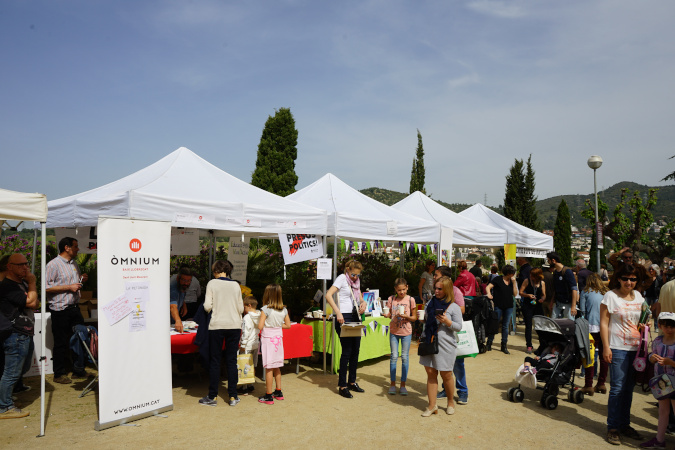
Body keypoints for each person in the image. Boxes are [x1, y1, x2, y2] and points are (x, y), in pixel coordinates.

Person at [600, 264, 646, 445]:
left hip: (636, 349)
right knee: (617, 388)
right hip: (617, 348)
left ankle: (625, 424)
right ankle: (613, 427)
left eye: (633, 279)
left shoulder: (640, 297)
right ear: (619, 278)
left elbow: (641, 320)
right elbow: (604, 323)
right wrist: (606, 347)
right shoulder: (610, 296)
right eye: (626, 278)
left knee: (629, 389)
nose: (629, 282)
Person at [199, 260, 244, 407]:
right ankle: (233, 396)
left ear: (216, 270)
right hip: (234, 325)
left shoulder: (212, 283)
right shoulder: (236, 285)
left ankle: (212, 396)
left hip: (217, 325)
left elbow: (207, 306)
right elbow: (241, 308)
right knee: (231, 361)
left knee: (215, 361)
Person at [45, 237, 88, 384]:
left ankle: (78, 370)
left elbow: (73, 283)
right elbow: (46, 288)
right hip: (60, 309)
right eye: (75, 247)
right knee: (61, 342)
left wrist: (81, 279)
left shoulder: (73, 263)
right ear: (66, 248)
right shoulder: (53, 265)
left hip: (74, 308)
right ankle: (59, 374)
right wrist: (69, 287)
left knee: (80, 338)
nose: (77, 249)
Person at [0, 253, 37, 419]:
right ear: (9, 267)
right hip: (15, 333)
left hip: (24, 332)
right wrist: (33, 282)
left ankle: (6, 398)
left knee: (22, 368)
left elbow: (33, 300)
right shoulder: (8, 286)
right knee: (11, 372)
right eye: (21, 264)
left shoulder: (20, 283)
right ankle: (4, 406)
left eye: (26, 263)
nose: (25, 267)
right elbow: (32, 302)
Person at [419, 276, 463, 417]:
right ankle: (432, 405)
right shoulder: (430, 303)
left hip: (445, 345)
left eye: (439, 289)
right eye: (435, 288)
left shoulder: (453, 306)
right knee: (431, 374)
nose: (436, 291)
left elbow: (459, 327)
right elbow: (426, 319)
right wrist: (423, 318)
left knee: (446, 374)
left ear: (447, 290)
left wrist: (447, 321)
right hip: (429, 342)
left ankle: (450, 402)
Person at [325, 260, 367, 399]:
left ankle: (352, 381)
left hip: (355, 315)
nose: (355, 277)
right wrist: (338, 312)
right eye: (353, 274)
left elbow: (359, 296)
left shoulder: (357, 281)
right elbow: (328, 295)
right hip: (343, 316)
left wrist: (363, 302)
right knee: (347, 351)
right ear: (347, 270)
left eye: (357, 275)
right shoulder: (342, 278)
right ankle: (342, 385)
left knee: (356, 350)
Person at [639, 312, 675, 449]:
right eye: (666, 326)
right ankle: (659, 440)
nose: (669, 329)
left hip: (673, 382)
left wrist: (670, 363)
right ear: (660, 325)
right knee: (663, 411)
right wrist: (651, 358)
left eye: (672, 326)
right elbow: (650, 355)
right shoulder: (658, 341)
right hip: (661, 382)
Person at [434, 265, 467, 404]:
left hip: (452, 333)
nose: (434, 277)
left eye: (436, 275)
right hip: (440, 334)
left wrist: (446, 312)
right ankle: (446, 390)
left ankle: (462, 391)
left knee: (457, 364)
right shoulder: (436, 291)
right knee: (442, 365)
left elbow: (462, 309)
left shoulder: (456, 291)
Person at [257, 284, 291, 405]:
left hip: (268, 339)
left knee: (268, 367)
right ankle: (278, 391)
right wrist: (276, 325)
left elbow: (260, 326)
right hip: (278, 338)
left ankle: (268, 395)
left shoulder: (265, 309)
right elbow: (288, 325)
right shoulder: (284, 309)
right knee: (276, 365)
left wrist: (263, 323)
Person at [384, 278, 416, 395]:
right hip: (393, 331)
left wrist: (406, 316)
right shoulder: (391, 299)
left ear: (407, 287)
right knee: (393, 356)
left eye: (403, 289)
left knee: (405, 357)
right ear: (395, 289)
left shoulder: (411, 299)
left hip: (406, 332)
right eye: (399, 290)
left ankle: (403, 385)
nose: (401, 292)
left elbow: (414, 318)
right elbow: (388, 314)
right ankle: (392, 384)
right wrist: (385, 314)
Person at [580, 273, 609, 396]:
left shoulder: (585, 292)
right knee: (604, 357)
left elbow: (582, 311)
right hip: (606, 326)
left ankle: (588, 385)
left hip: (591, 326)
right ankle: (601, 383)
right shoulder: (606, 293)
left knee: (590, 355)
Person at [486, 265, 518, 354]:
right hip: (498, 305)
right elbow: (488, 287)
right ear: (508, 273)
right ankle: (489, 342)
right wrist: (489, 294)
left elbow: (515, 294)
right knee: (494, 324)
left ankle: (504, 345)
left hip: (509, 306)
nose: (514, 275)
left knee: (505, 326)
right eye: (513, 273)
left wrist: (514, 283)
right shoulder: (498, 279)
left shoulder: (512, 282)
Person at [519, 268, 546, 354]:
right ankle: (529, 345)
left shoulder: (542, 283)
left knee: (540, 326)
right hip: (528, 305)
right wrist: (528, 295)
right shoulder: (527, 281)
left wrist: (542, 299)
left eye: (532, 275)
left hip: (538, 305)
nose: (530, 276)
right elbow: (520, 292)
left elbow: (544, 295)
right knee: (528, 326)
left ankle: (542, 345)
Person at [237, 295, 261, 396]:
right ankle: (251, 383)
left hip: (247, 345)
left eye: (244, 307)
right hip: (255, 343)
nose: (244, 309)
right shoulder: (260, 315)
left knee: (244, 365)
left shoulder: (247, 317)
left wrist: (242, 344)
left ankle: (244, 387)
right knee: (253, 364)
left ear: (249, 306)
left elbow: (245, 332)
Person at [546, 252, 579, 320]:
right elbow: (555, 289)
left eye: (548, 260)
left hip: (568, 303)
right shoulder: (555, 272)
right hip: (558, 302)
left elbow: (574, 289)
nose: (548, 262)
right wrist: (552, 301)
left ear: (553, 260)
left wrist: (573, 306)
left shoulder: (567, 272)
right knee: (554, 322)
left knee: (570, 323)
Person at [170, 267, 195, 333]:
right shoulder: (173, 289)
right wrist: (178, 320)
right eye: (184, 280)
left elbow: (180, 295)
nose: (186, 283)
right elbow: (172, 306)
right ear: (178, 278)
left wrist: (184, 305)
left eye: (188, 281)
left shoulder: (181, 286)